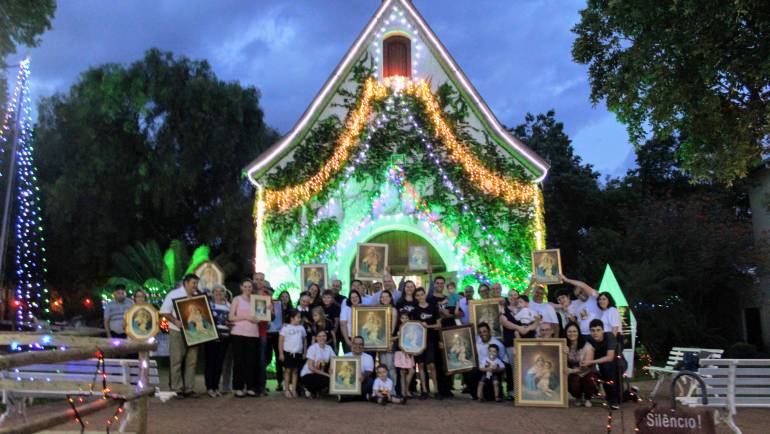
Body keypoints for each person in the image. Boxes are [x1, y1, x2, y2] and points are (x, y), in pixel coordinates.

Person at [160, 274, 201, 399]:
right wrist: (175, 321)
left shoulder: (197, 297)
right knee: (176, 360)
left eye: (196, 283)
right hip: (177, 331)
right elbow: (164, 311)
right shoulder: (174, 294)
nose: (195, 286)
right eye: (193, 283)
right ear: (186, 283)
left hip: (193, 332)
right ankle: (176, 389)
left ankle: (189, 388)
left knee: (191, 361)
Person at [499, 291, 537, 400]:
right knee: (513, 367)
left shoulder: (525, 310)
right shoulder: (504, 310)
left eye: (515, 295)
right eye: (510, 295)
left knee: (527, 366)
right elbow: (504, 322)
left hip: (526, 342)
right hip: (511, 342)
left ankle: (527, 391)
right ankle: (513, 392)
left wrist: (528, 328)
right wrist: (519, 328)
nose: (512, 297)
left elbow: (535, 322)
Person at [228, 278, 261, 398]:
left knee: (251, 362)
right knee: (239, 361)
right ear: (241, 287)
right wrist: (246, 317)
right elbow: (231, 317)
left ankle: (250, 387)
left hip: (253, 334)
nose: (248, 289)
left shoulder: (256, 300)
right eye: (245, 286)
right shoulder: (237, 299)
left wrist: (259, 318)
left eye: (250, 287)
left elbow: (261, 315)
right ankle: (238, 387)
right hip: (238, 333)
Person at [410, 287, 441, 400]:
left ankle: (436, 390)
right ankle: (424, 391)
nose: (420, 297)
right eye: (417, 295)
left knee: (431, 365)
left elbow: (438, 325)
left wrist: (428, 326)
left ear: (425, 295)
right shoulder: (414, 311)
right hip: (418, 342)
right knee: (421, 365)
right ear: (415, 297)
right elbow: (411, 327)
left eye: (422, 294)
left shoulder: (433, 308)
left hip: (431, 340)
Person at [582, 319, 620, 409]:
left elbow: (610, 357)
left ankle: (613, 401)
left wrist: (590, 362)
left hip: (617, 363)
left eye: (598, 330)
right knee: (594, 371)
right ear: (590, 331)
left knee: (606, 368)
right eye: (593, 330)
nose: (595, 333)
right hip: (601, 364)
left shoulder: (609, 336)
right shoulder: (589, 338)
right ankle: (595, 394)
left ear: (603, 330)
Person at [469, 322, 508, 400]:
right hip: (480, 370)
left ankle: (497, 394)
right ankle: (475, 394)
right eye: (480, 332)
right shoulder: (476, 343)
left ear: (489, 331)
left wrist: (497, 369)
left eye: (484, 331)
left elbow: (505, 361)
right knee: (470, 371)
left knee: (490, 397)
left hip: (494, 371)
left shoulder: (497, 344)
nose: (482, 334)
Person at [204, 284, 231, 397]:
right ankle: (209, 387)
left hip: (225, 336)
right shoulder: (208, 305)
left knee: (219, 362)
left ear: (225, 293)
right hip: (211, 336)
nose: (218, 293)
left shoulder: (229, 305)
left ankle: (216, 387)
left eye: (221, 291)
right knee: (210, 362)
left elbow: (231, 319)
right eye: (216, 291)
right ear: (212, 293)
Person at [564, 322, 598, 407]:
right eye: (569, 331)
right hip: (573, 372)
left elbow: (587, 365)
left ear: (578, 332)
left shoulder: (587, 346)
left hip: (587, 371)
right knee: (572, 382)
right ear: (566, 333)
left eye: (574, 331)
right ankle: (578, 397)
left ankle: (588, 398)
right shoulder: (564, 345)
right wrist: (563, 353)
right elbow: (562, 362)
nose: (572, 333)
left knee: (589, 379)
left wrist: (572, 370)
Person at [561, 274, 601, 339]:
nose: (580, 296)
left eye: (581, 292)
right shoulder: (576, 303)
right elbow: (575, 321)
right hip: (582, 335)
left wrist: (567, 280)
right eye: (577, 295)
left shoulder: (594, 297)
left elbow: (583, 285)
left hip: (595, 334)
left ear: (584, 289)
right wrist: (567, 312)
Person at [279, 309, 307, 399]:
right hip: (288, 353)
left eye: (300, 317)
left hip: (298, 353)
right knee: (287, 371)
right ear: (292, 318)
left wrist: (304, 352)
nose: (299, 319)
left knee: (295, 371)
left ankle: (294, 389)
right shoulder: (285, 328)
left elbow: (304, 341)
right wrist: (281, 353)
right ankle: (286, 389)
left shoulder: (301, 328)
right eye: (297, 317)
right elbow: (281, 341)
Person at [339, 335, 375, 402]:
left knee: (370, 382)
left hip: (361, 382)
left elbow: (369, 371)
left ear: (363, 346)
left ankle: (350, 397)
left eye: (360, 344)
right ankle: (361, 397)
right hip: (349, 382)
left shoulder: (368, 357)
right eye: (355, 344)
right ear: (352, 345)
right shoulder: (345, 356)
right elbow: (340, 371)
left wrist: (363, 376)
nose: (358, 346)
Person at [300, 330, 335, 398]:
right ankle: (308, 388)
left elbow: (334, 360)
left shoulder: (329, 348)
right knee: (327, 379)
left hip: (319, 373)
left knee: (329, 379)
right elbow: (311, 367)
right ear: (316, 338)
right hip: (308, 374)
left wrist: (331, 370)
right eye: (319, 336)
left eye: (324, 336)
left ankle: (315, 391)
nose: (322, 338)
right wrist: (328, 375)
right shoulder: (312, 348)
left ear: (326, 337)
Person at [393, 310, 416, 398]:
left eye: (406, 317)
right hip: (400, 351)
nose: (404, 319)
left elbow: (414, 340)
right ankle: (403, 392)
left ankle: (406, 389)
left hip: (409, 351)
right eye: (402, 318)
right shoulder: (397, 327)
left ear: (409, 318)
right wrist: (398, 336)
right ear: (400, 318)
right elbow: (391, 338)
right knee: (402, 372)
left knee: (411, 371)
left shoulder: (412, 328)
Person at [378, 290, 399, 383]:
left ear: (390, 298)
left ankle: (392, 389)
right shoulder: (378, 310)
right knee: (383, 366)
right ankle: (384, 389)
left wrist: (388, 340)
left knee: (390, 366)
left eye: (387, 296)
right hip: (380, 341)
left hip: (390, 341)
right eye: (383, 297)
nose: (385, 298)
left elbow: (392, 329)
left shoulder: (393, 310)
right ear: (380, 299)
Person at [266, 288, 284, 392]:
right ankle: (262, 383)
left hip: (277, 334)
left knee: (279, 359)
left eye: (270, 292)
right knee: (266, 359)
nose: (268, 294)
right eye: (266, 292)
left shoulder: (278, 303)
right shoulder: (261, 302)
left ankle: (280, 383)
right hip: (266, 334)